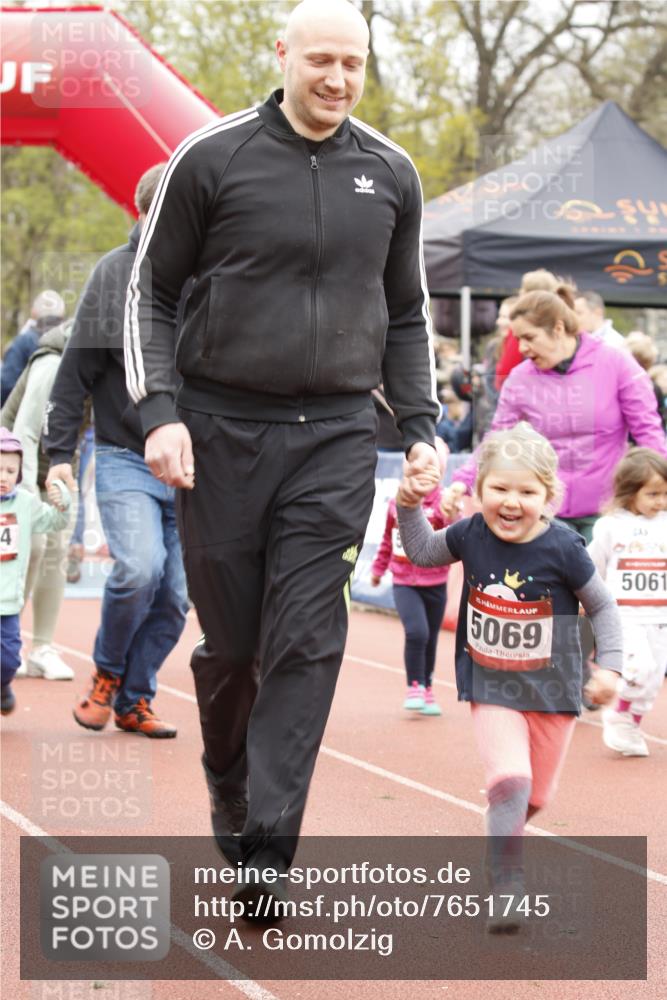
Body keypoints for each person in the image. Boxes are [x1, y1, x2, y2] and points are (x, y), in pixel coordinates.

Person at [123, 0, 440, 913]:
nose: (337, 79)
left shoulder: (389, 172)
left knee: (306, 639)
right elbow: (150, 292)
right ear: (284, 55)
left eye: (354, 63)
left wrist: (418, 426)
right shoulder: (210, 158)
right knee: (234, 649)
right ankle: (225, 768)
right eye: (322, 61)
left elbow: (408, 314)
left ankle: (269, 846)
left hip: (336, 437)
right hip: (218, 433)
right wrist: (160, 413)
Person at [396, 423, 622, 932]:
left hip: (554, 692)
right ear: (479, 493)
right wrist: (409, 504)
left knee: (533, 797)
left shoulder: (564, 547)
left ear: (548, 498)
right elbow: (423, 552)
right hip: (492, 685)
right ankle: (507, 883)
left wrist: (609, 667)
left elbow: (603, 608)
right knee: (510, 780)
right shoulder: (470, 533)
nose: (511, 501)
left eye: (526, 491)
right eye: (499, 488)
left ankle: (502, 839)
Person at [44, 163, 188, 739]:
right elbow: (74, 373)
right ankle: (106, 673)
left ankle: (135, 697)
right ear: (146, 214)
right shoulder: (114, 275)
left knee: (176, 597)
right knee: (139, 568)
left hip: (194, 468)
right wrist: (59, 454)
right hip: (127, 454)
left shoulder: (210, 277)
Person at [445, 285, 667, 543]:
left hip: (608, 510)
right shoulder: (520, 378)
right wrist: (462, 480)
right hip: (547, 512)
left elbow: (648, 432)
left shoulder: (616, 362)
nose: (523, 348)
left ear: (558, 328)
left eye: (529, 337)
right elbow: (496, 439)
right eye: (518, 340)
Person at [1, 318, 75, 680]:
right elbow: (25, 432)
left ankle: (41, 647)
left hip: (59, 465)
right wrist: (27, 494)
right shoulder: (52, 362)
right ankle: (7, 633)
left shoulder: (109, 365)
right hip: (15, 461)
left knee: (58, 547)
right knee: (33, 546)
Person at [587, 448, 667, 757]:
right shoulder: (609, 527)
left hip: (659, 617)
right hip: (625, 616)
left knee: (654, 677)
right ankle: (618, 710)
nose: (660, 501)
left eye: (664, 494)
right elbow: (593, 565)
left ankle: (631, 720)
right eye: (653, 494)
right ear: (630, 492)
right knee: (639, 667)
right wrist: (589, 600)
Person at [371, 439, 452, 715]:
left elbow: (454, 536)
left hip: (436, 583)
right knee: (417, 632)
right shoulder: (398, 503)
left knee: (430, 638)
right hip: (405, 582)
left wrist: (451, 514)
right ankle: (414, 685)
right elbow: (386, 539)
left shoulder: (443, 502)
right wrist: (378, 569)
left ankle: (428, 688)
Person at [0, 428, 70, 716]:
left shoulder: (26, 504)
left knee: (8, 660)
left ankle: (2, 684)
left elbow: (56, 521)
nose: (3, 476)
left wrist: (62, 499)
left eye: (10, 470)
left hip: (7, 603)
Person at [1, 290, 66, 404]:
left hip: (28, 415)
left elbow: (7, 386)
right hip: (68, 416)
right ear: (62, 312)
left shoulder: (23, 342)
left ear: (33, 312)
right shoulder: (75, 340)